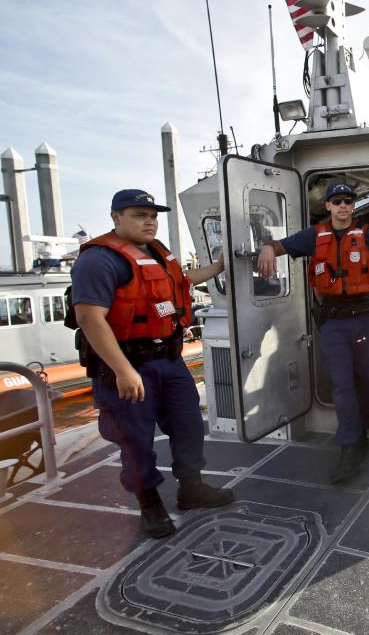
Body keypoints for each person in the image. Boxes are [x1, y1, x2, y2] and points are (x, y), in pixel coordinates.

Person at [71, 189, 234, 539]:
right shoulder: (98, 260)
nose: (149, 221)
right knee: (136, 440)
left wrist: (220, 266)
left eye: (153, 215)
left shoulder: (158, 255)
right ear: (116, 218)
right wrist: (122, 370)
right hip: (129, 363)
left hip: (169, 362)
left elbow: (184, 281)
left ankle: (191, 488)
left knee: (189, 425)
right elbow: (89, 317)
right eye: (138, 214)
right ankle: (150, 505)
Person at [257, 182, 369, 483]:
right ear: (327, 206)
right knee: (342, 383)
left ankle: (359, 427)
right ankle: (350, 445)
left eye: (348, 201)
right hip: (334, 323)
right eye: (336, 201)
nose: (342, 206)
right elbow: (279, 246)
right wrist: (266, 248)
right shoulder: (313, 236)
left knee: (368, 378)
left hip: (368, 320)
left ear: (353, 206)